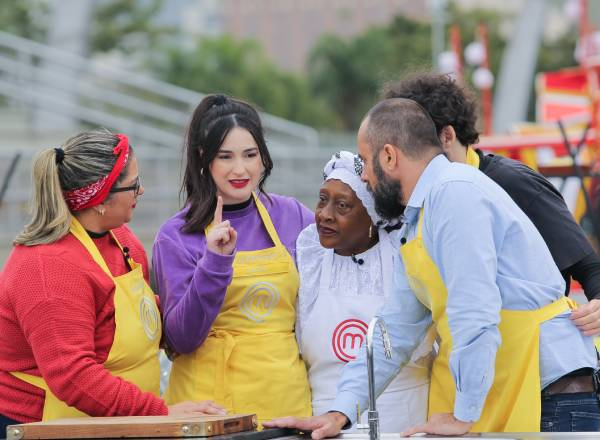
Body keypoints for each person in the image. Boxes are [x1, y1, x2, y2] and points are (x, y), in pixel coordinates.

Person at [264, 98, 600, 437]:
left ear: (390, 157)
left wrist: (464, 414)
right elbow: (394, 328)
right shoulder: (416, 218)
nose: (363, 175)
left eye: (365, 161)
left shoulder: (454, 194)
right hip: (511, 384)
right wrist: (340, 412)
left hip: (551, 393)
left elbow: (475, 313)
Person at [0, 130, 223, 432]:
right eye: (134, 185)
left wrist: (211, 273)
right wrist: (159, 412)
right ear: (101, 197)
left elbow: (141, 320)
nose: (141, 192)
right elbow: (73, 375)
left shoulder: (121, 239)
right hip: (39, 425)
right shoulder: (47, 266)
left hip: (115, 420)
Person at [383, 72, 600, 336]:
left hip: (531, 360)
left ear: (447, 137)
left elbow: (588, 266)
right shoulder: (412, 201)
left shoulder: (512, 183)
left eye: (414, 144)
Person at [153, 94, 313, 423]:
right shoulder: (177, 235)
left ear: (263, 158)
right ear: (203, 158)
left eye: (250, 155)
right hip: (209, 410)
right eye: (225, 156)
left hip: (285, 405)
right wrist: (214, 261)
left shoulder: (293, 216)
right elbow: (182, 337)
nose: (240, 169)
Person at [296, 151, 433, 432]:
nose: (325, 215)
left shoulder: (403, 257)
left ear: (374, 216)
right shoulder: (309, 261)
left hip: (404, 423)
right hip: (325, 424)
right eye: (323, 200)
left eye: (342, 205)